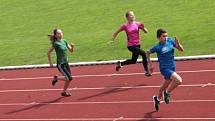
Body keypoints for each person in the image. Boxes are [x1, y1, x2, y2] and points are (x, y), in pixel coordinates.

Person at [146, 28, 184, 111]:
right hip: (164, 68)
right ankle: (167, 93)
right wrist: (150, 64)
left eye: (166, 36)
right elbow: (147, 52)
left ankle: (157, 99)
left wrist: (178, 44)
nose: (166, 38)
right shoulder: (157, 47)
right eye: (163, 36)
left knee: (164, 86)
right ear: (159, 37)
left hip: (172, 67)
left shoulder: (170, 41)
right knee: (178, 80)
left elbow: (181, 50)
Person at [110, 10, 151, 76]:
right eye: (131, 15)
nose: (133, 16)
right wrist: (112, 39)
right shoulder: (125, 26)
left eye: (133, 14)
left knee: (133, 61)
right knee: (143, 54)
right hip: (131, 45)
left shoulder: (137, 24)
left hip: (137, 44)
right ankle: (146, 71)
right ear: (127, 17)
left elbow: (146, 31)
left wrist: (143, 28)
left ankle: (120, 64)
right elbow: (116, 32)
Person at [47, 28, 74, 97]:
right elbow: (48, 52)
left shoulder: (64, 41)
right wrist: (50, 63)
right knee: (69, 78)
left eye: (61, 33)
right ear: (55, 35)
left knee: (69, 79)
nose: (60, 34)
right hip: (61, 64)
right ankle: (57, 78)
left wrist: (72, 47)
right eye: (58, 33)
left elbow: (71, 50)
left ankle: (64, 92)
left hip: (66, 62)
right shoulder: (55, 43)